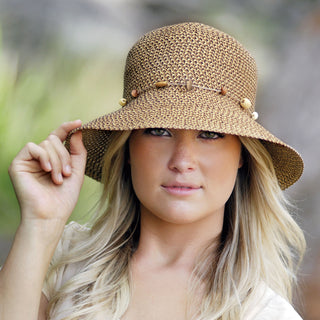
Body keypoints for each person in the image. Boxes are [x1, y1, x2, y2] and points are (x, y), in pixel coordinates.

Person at [0, 22, 306, 320]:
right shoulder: (62, 260)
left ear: (243, 154)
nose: (182, 160)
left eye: (210, 135)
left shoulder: (265, 313)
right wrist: (40, 224)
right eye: (158, 131)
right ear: (129, 146)